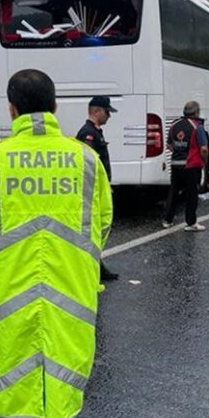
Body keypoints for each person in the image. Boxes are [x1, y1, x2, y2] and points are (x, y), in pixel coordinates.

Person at [0, 69, 113, 418]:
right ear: (54, 107)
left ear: (12, 109)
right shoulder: (85, 158)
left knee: (7, 384)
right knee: (60, 385)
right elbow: (102, 224)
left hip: (2, 297)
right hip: (71, 294)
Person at [77, 95, 120, 281]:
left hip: (98, 188)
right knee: (94, 228)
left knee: (98, 228)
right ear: (96, 111)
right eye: (106, 112)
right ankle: (93, 266)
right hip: (91, 190)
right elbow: (88, 164)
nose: (109, 116)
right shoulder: (88, 133)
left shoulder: (95, 131)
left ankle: (97, 265)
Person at [162, 100, 209, 231]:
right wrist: (204, 161)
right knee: (191, 194)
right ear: (196, 112)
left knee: (173, 192)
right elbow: (204, 149)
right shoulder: (197, 127)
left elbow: (169, 145)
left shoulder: (174, 125)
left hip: (175, 164)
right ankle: (191, 223)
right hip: (191, 166)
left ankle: (167, 220)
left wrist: (179, 152)